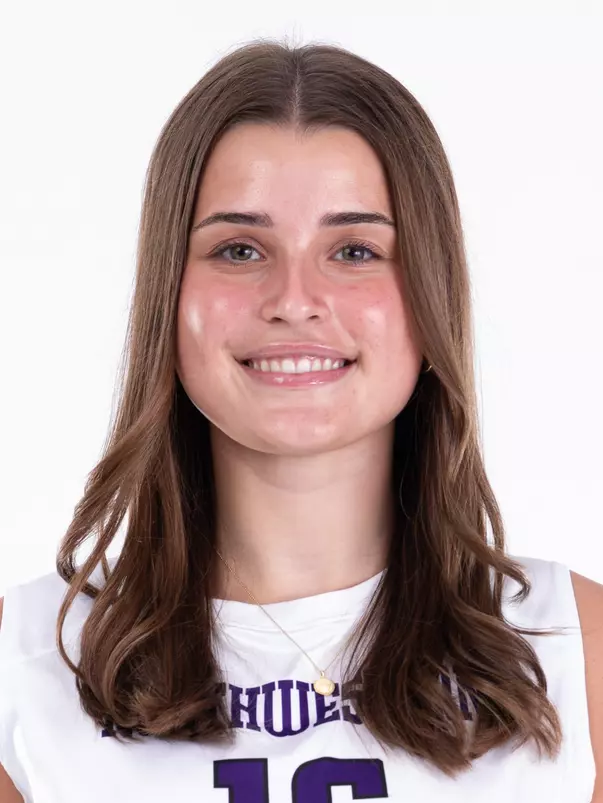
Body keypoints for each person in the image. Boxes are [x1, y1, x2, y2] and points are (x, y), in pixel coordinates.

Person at [0, 37, 601, 803]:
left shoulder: (575, 655)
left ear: (429, 294)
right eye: (239, 248)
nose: (293, 296)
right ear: (168, 298)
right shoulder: (23, 665)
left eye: (353, 249)